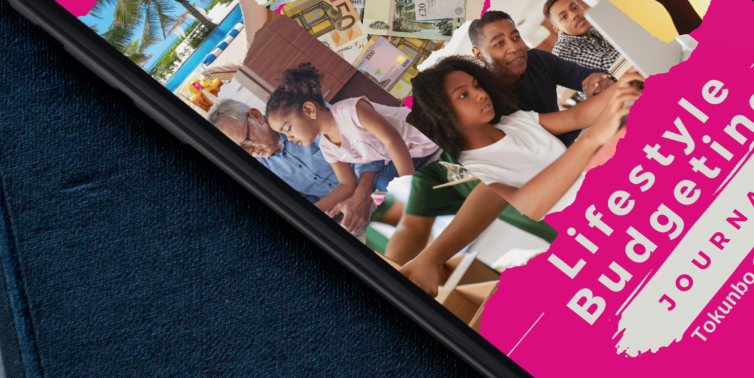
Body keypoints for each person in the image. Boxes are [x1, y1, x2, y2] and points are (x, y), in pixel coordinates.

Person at [408, 56, 640, 218]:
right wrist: (591, 140)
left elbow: (576, 116)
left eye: (477, 86)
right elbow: (526, 205)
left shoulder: (516, 122)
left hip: (614, 195)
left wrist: (624, 84)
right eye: (463, 95)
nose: (480, 94)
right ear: (441, 115)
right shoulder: (471, 168)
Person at [264, 65, 441, 233]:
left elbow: (393, 140)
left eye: (288, 129)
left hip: (424, 135)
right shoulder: (327, 147)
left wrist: (409, 186)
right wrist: (311, 212)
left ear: (309, 110)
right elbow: (346, 185)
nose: (289, 138)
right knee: (380, 188)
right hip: (407, 155)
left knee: (390, 187)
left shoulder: (351, 110)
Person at [205, 98, 393, 221]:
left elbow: (366, 146)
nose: (250, 153)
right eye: (239, 152)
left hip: (382, 181)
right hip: (346, 214)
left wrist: (362, 196)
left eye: (245, 143)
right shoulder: (259, 171)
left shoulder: (303, 116)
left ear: (256, 116)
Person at [468, 10, 614, 116]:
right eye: (499, 43)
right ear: (479, 54)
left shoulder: (538, 60)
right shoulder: (483, 95)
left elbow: (589, 77)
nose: (515, 47)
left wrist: (600, 83)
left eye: (516, 37)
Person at [541, 0, 622, 76]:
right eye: (564, 17)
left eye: (575, 7)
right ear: (558, 29)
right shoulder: (562, 50)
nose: (574, 15)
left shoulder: (593, 25)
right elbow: (610, 65)